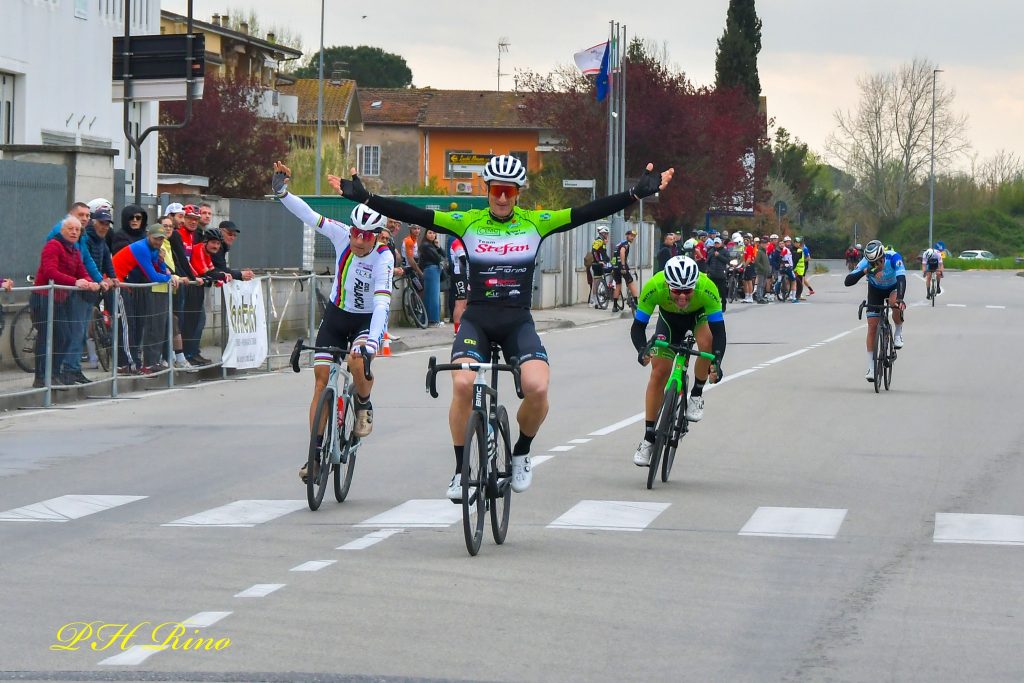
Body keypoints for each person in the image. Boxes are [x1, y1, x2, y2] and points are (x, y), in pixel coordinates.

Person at [331, 154, 673, 498]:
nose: (503, 198)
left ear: (518, 192)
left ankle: (521, 451)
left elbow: (587, 212)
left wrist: (634, 194)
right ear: (488, 189)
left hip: (517, 321)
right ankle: (460, 469)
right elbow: (415, 214)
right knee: (463, 384)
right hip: (477, 321)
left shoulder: (536, 223)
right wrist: (366, 199)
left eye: (510, 191)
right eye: (497, 190)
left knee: (538, 388)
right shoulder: (468, 222)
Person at [273, 161, 394, 484]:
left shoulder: (385, 258)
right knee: (320, 379)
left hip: (367, 320)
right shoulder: (341, 236)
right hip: (338, 315)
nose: (358, 240)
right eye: (355, 233)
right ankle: (314, 454)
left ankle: (364, 404)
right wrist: (282, 193)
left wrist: (372, 343)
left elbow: (382, 303)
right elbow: (309, 216)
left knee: (357, 360)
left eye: (366, 236)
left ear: (378, 237)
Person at [630, 256, 725, 466]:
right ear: (667, 285)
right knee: (658, 373)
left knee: (706, 342)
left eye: (688, 291)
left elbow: (719, 331)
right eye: (676, 291)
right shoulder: (654, 286)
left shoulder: (707, 287)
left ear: (695, 286)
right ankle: (648, 439)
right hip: (669, 322)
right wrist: (642, 351)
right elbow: (638, 327)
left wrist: (716, 362)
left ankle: (697, 394)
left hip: (698, 317)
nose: (682, 297)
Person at [31, 216, 101, 387]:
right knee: (48, 336)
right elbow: (50, 272)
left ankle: (54, 373)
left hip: (59, 298)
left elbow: (81, 270)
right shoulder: (54, 246)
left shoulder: (74, 250)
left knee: (65, 337)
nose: (74, 232)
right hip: (43, 297)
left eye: (77, 230)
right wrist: (75, 282)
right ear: (62, 231)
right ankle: (41, 377)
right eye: (70, 229)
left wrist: (89, 281)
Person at [112, 223, 179, 373]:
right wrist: (169, 278)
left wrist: (162, 262)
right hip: (117, 283)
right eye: (156, 239)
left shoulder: (154, 249)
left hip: (127, 284)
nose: (158, 242)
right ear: (148, 235)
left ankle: (130, 362)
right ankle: (130, 363)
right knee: (127, 325)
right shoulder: (142, 248)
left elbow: (158, 269)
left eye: (161, 239)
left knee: (134, 324)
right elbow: (152, 276)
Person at [844, 239, 907, 381]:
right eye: (872, 263)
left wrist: (900, 299)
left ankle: (898, 332)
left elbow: (902, 278)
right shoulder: (866, 263)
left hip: (893, 288)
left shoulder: (894, 257)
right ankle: (871, 369)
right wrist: (868, 270)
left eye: (878, 262)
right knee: (872, 326)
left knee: (894, 303)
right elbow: (848, 281)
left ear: (883, 257)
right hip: (875, 291)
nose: (876, 265)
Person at [417, 228, 446, 326]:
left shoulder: (432, 245)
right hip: (431, 270)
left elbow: (444, 255)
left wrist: (438, 247)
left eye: (434, 233)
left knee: (433, 295)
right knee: (432, 296)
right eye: (430, 232)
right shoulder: (426, 245)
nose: (432, 235)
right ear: (425, 234)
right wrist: (439, 254)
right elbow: (438, 258)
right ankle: (433, 320)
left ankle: (430, 320)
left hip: (433, 270)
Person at [611, 229, 638, 311]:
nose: (633, 238)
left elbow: (614, 255)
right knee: (631, 283)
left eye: (634, 236)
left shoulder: (619, 244)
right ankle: (637, 304)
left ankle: (615, 306)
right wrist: (623, 265)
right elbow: (622, 252)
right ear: (627, 236)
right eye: (631, 236)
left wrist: (614, 266)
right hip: (622, 266)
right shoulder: (626, 244)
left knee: (618, 285)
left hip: (615, 267)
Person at [448, 236, 468, 333]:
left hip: (467, 274)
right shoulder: (457, 242)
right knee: (460, 302)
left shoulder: (466, 241)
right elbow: (463, 258)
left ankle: (467, 326)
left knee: (467, 302)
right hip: (459, 274)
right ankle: (457, 330)